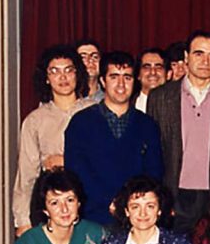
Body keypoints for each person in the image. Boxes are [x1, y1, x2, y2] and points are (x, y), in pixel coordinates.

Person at [147, 30, 210, 232]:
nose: (206, 61)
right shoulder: (160, 97)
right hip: (173, 193)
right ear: (185, 57)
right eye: (199, 54)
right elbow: (153, 151)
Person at [65, 51, 164, 225]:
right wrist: (107, 202)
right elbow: (76, 170)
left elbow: (153, 173)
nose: (121, 84)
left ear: (136, 81)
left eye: (127, 77)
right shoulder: (81, 122)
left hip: (136, 219)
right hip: (91, 217)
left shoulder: (147, 125)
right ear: (103, 81)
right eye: (114, 77)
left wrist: (128, 204)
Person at [12, 45, 94, 236]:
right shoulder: (35, 120)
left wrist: (68, 161)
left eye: (68, 70)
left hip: (90, 201)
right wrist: (22, 221)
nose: (62, 77)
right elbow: (26, 175)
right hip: (50, 204)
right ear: (47, 78)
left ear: (77, 74)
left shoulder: (95, 111)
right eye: (55, 71)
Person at [133, 47, 167, 113]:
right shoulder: (127, 105)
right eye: (147, 67)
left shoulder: (177, 106)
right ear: (138, 75)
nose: (153, 72)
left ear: (168, 74)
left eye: (158, 67)